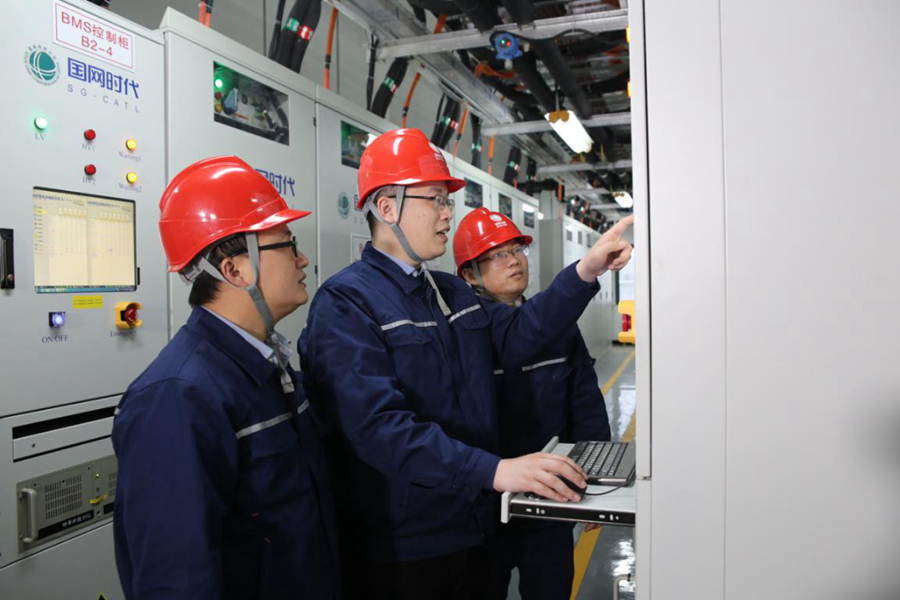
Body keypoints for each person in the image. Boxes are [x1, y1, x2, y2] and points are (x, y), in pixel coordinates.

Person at [299, 128, 632, 600]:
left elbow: (521, 334)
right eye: (435, 199)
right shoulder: (346, 303)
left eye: (447, 200)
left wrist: (586, 271)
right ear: (387, 208)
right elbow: (378, 428)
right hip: (405, 547)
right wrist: (494, 470)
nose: (447, 212)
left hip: (472, 526)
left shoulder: (449, 292)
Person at [111, 156, 338, 600]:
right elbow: (174, 579)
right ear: (235, 270)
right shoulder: (178, 397)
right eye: (288, 245)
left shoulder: (267, 364)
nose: (303, 259)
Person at [454, 207, 612, 600]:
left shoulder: (557, 325)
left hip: (550, 501)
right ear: (469, 275)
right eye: (497, 255)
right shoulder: (462, 335)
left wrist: (596, 486)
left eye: (517, 250)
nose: (513, 261)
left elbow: (585, 404)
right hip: (486, 505)